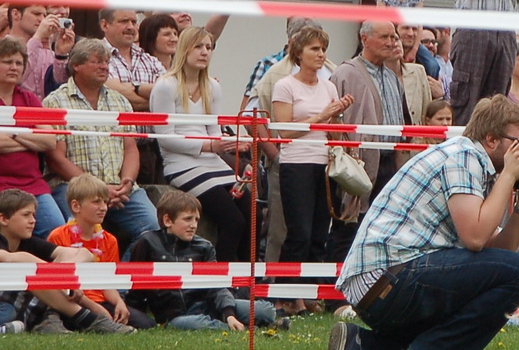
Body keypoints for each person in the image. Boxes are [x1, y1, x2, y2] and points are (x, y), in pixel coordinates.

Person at [328, 95, 519, 350]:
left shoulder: (472, 163)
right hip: (387, 278)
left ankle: (361, 346)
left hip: (385, 281)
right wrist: (507, 178)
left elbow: (499, 250)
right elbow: (476, 239)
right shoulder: (464, 156)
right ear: (491, 139)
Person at [150, 27, 253, 262]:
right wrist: (211, 147)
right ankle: (226, 280)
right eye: (198, 47)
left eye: (208, 47)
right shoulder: (166, 86)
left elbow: (214, 133)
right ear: (185, 49)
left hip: (211, 161)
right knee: (232, 220)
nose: (204, 52)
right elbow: (165, 138)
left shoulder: (212, 87)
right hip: (180, 164)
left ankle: (248, 278)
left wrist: (233, 144)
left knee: (251, 213)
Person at [44, 39, 157, 249]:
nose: (105, 67)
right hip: (74, 188)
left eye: (106, 62)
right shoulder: (55, 102)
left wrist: (128, 182)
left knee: (153, 229)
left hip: (120, 188)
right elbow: (56, 159)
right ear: (76, 65)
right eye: (97, 61)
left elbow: (130, 148)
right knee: (71, 236)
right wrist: (98, 189)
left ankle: (119, 278)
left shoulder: (120, 101)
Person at [123, 189, 280, 330]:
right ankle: (239, 328)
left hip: (208, 305)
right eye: (188, 219)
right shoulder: (147, 243)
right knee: (188, 324)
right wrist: (138, 319)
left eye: (196, 220)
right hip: (176, 316)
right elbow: (135, 288)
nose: (193, 225)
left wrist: (229, 313)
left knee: (265, 310)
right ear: (168, 220)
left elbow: (217, 285)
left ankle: (232, 322)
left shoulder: (204, 246)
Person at [271, 26, 354, 290]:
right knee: (300, 234)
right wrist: (320, 116)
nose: (320, 55)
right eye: (314, 49)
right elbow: (283, 130)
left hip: (324, 164)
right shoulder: (285, 85)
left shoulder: (329, 86)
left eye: (323, 49)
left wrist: (338, 114)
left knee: (320, 233)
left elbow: (334, 135)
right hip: (296, 163)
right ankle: (285, 292)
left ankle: (310, 292)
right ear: (299, 53)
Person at [330, 21, 415, 258]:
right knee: (349, 226)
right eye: (384, 37)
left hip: (388, 161)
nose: (391, 42)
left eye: (393, 37)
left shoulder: (392, 77)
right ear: (364, 39)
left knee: (380, 227)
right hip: (358, 163)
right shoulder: (346, 73)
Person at [0, 188, 130, 335]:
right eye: (26, 215)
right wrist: (58, 278)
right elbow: (13, 259)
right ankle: (88, 320)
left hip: (20, 304)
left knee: (38, 276)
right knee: (14, 301)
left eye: (34, 215)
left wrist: (62, 276)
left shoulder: (28, 242)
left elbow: (85, 254)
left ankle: (47, 321)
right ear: (4, 219)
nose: (33, 220)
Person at [48, 174, 144, 328]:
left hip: (102, 300)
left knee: (145, 323)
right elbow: (59, 284)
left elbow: (107, 281)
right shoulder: (58, 236)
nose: (103, 208)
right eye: (96, 202)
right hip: (73, 302)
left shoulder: (109, 240)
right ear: (76, 206)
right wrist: (95, 308)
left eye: (105, 202)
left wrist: (119, 302)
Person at [0, 36, 58, 235]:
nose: (14, 67)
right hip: (1, 184)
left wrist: (13, 133)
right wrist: (31, 139)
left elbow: (49, 141)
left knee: (55, 228)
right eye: (7, 62)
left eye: (18, 63)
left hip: (33, 184)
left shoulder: (29, 98)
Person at [3, 0, 74, 102]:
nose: (42, 20)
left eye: (44, 16)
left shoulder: (45, 50)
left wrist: (61, 54)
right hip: (14, 112)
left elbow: (61, 85)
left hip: (45, 113)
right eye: (36, 14)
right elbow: (18, 78)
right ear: (16, 14)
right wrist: (38, 36)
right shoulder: (2, 46)